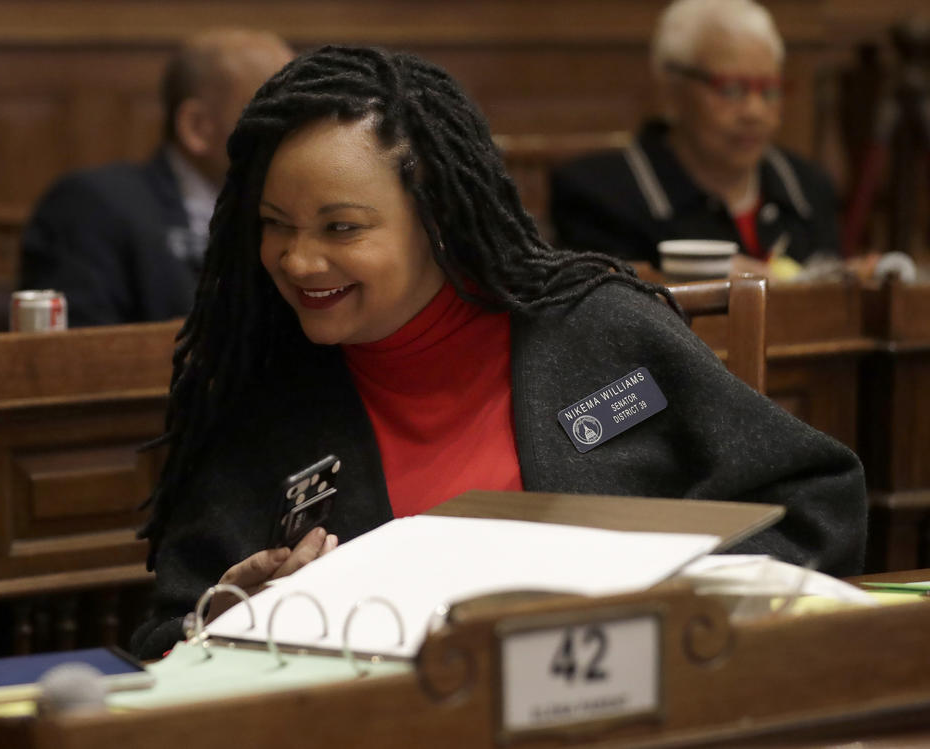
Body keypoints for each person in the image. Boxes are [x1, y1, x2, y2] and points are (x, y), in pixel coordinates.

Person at [130, 45, 866, 660]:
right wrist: (240, 622)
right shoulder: (262, 389)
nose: (297, 260)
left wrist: (666, 612)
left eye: (341, 228)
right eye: (275, 225)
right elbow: (169, 635)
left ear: (440, 220)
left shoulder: (597, 330)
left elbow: (814, 499)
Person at [18, 30, 293, 326]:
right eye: (277, 114)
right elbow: (79, 357)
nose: (297, 133)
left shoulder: (289, 211)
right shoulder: (91, 207)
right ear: (198, 127)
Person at [550, 0, 840, 272]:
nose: (755, 111)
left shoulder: (807, 188)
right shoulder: (599, 196)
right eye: (731, 89)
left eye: (769, 90)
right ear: (672, 91)